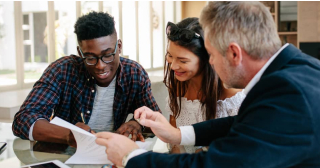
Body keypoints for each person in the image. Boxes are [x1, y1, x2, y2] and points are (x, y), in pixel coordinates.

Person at [95, 2, 320, 167]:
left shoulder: (289, 95)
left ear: (233, 53)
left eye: (211, 54)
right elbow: (241, 123)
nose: (210, 62)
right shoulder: (297, 69)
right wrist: (178, 135)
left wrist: (130, 157)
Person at [12, 11, 160, 147]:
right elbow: (23, 119)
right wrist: (69, 136)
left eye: (107, 55)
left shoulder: (134, 73)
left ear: (119, 47)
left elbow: (155, 118)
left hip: (112, 154)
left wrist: (137, 123)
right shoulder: (62, 70)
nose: (100, 66)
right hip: (66, 156)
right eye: (90, 58)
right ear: (80, 52)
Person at [164, 17, 245, 153]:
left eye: (183, 61)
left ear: (207, 59)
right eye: (170, 56)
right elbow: (175, 145)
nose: (173, 66)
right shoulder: (178, 87)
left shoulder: (231, 96)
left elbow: (239, 151)